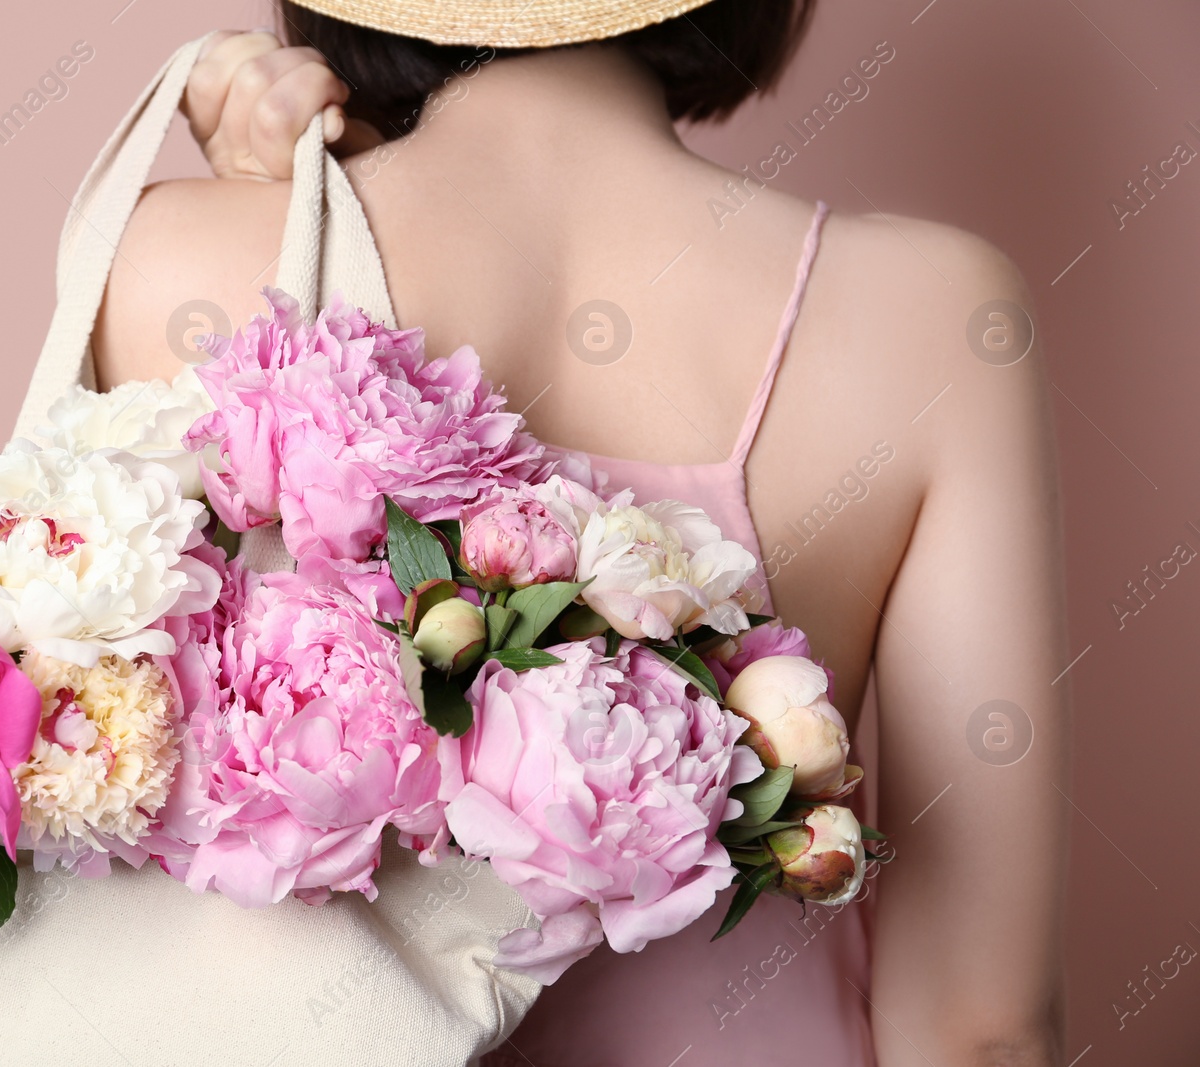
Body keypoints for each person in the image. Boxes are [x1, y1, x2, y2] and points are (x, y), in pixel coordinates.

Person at [94, 4, 1070, 1064]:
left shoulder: (169, 259)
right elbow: (981, 1027)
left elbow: (106, 778)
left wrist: (312, 194)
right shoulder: (930, 314)